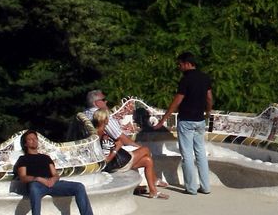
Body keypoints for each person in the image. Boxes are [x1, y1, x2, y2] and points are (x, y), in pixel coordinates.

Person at [13, 131, 104, 215]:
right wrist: (38, 179)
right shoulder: (23, 159)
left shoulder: (45, 158)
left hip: (52, 183)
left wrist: (53, 180)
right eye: (30, 139)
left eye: (35, 138)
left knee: (79, 187)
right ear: (25, 144)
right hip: (37, 184)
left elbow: (55, 174)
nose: (34, 141)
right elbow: (23, 177)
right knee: (33, 187)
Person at [158, 53, 213, 196]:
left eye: (180, 64)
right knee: (200, 153)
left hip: (186, 121)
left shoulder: (185, 80)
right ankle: (206, 187)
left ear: (187, 63)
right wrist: (208, 112)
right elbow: (209, 98)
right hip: (200, 121)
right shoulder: (205, 78)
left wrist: (163, 120)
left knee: (187, 155)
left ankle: (191, 188)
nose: (179, 66)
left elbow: (177, 101)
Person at [90, 106, 166, 199]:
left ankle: (153, 191)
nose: (108, 120)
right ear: (104, 120)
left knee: (148, 161)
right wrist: (117, 147)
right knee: (146, 149)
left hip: (121, 160)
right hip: (120, 163)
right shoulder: (102, 136)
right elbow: (106, 160)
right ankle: (153, 181)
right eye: (108, 118)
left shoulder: (97, 132)